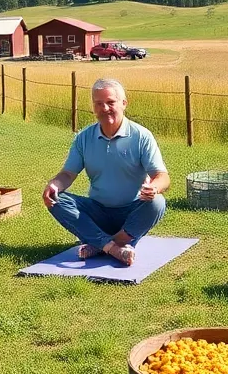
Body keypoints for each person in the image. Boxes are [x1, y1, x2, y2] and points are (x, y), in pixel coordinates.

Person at [42, 79, 169, 266]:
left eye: (110, 102)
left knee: (157, 202)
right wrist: (54, 185)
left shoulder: (141, 136)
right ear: (93, 107)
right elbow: (67, 174)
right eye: (99, 103)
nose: (105, 108)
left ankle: (102, 243)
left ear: (124, 103)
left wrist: (154, 188)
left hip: (132, 213)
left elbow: (162, 177)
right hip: (97, 213)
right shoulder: (84, 138)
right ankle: (114, 248)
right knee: (56, 199)